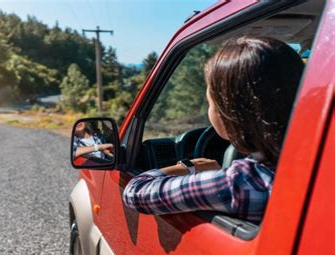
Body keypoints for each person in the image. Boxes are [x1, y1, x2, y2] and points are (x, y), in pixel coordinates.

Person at [123, 36, 304, 222]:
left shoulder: (240, 183)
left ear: (231, 113)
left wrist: (189, 167)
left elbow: (135, 192)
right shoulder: (317, 162)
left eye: (210, 103)